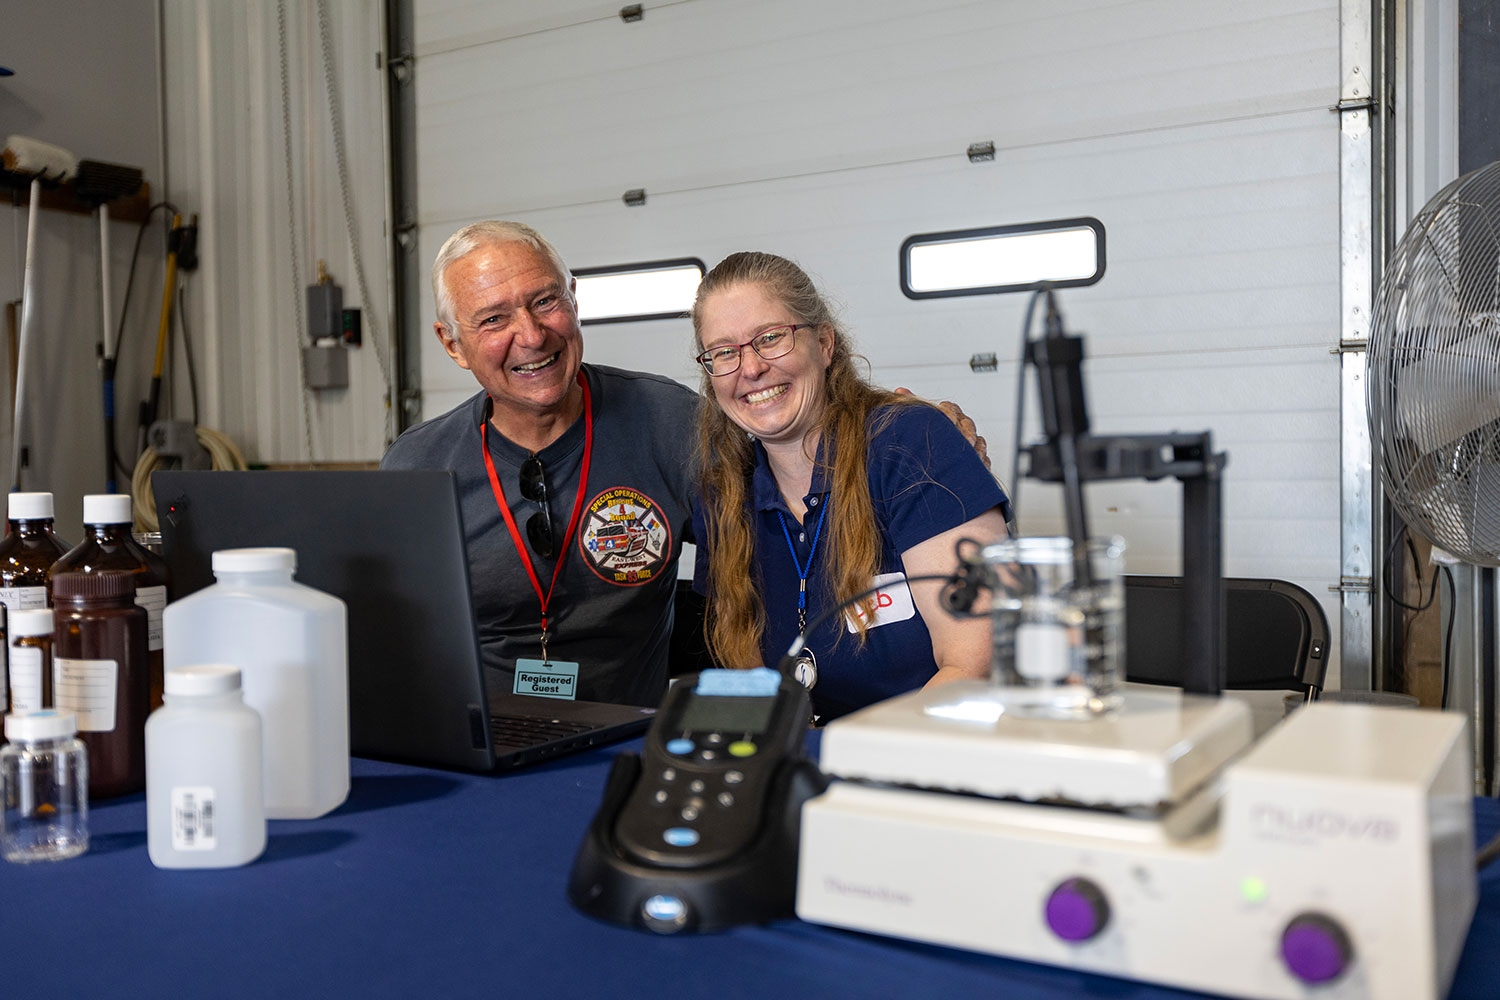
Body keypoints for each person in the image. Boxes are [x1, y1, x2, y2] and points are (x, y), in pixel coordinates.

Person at [381, 221, 698, 706]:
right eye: (493, 319)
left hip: (626, 745)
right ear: (451, 344)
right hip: (478, 749)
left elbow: (754, 574)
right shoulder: (416, 466)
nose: (531, 335)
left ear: (573, 299)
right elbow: (392, 641)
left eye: (546, 301)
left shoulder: (670, 421)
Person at [690, 252, 1010, 722]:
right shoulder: (722, 493)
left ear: (823, 344)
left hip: (935, 756)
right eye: (724, 352)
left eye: (771, 338)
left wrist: (852, 761)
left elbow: (974, 664)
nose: (750, 368)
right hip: (810, 765)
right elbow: (751, 683)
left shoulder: (911, 444)